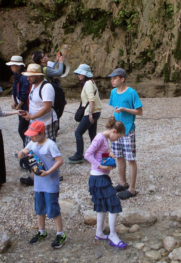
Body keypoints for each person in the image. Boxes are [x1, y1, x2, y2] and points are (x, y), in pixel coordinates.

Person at [17, 121, 66, 249]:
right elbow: (19, 156)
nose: (31, 137)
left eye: (33, 135)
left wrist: (49, 172)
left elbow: (59, 160)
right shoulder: (32, 143)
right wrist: (23, 151)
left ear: (42, 133)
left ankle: (60, 234)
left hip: (50, 183)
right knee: (39, 208)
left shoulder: (50, 144)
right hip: (38, 184)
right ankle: (41, 231)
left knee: (53, 208)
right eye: (30, 135)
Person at [85, 117, 126, 249]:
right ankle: (113, 235)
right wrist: (101, 166)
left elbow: (100, 152)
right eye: (118, 137)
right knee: (114, 204)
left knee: (102, 205)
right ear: (114, 131)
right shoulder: (100, 138)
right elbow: (88, 154)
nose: (117, 140)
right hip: (99, 177)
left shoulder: (104, 139)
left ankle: (99, 233)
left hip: (99, 178)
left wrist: (109, 154)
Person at [19, 63, 59, 187]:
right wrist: (29, 114)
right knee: (33, 149)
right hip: (35, 123)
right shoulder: (34, 86)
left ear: (37, 75)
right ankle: (35, 174)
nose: (28, 78)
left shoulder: (46, 87)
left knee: (47, 150)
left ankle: (52, 174)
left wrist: (32, 116)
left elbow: (47, 108)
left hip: (45, 123)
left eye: (30, 75)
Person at [107, 68, 143, 200]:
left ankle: (132, 189)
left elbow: (140, 111)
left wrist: (124, 109)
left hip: (128, 130)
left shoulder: (131, 92)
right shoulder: (113, 92)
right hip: (116, 130)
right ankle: (123, 183)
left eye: (114, 78)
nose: (112, 80)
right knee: (119, 157)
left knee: (130, 159)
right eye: (111, 78)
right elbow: (114, 110)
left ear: (122, 79)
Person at [68, 64, 102, 164]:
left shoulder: (87, 84)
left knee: (78, 132)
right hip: (96, 112)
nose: (78, 74)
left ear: (85, 74)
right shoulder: (91, 82)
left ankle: (79, 155)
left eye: (80, 73)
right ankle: (97, 153)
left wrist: (90, 114)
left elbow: (91, 99)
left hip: (91, 112)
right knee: (92, 134)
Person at [7, 55, 30, 145]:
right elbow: (14, 89)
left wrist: (19, 106)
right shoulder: (17, 75)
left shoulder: (24, 77)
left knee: (22, 129)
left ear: (19, 66)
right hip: (20, 105)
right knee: (23, 129)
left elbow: (25, 93)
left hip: (25, 106)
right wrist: (13, 100)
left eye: (13, 65)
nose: (11, 67)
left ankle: (28, 149)